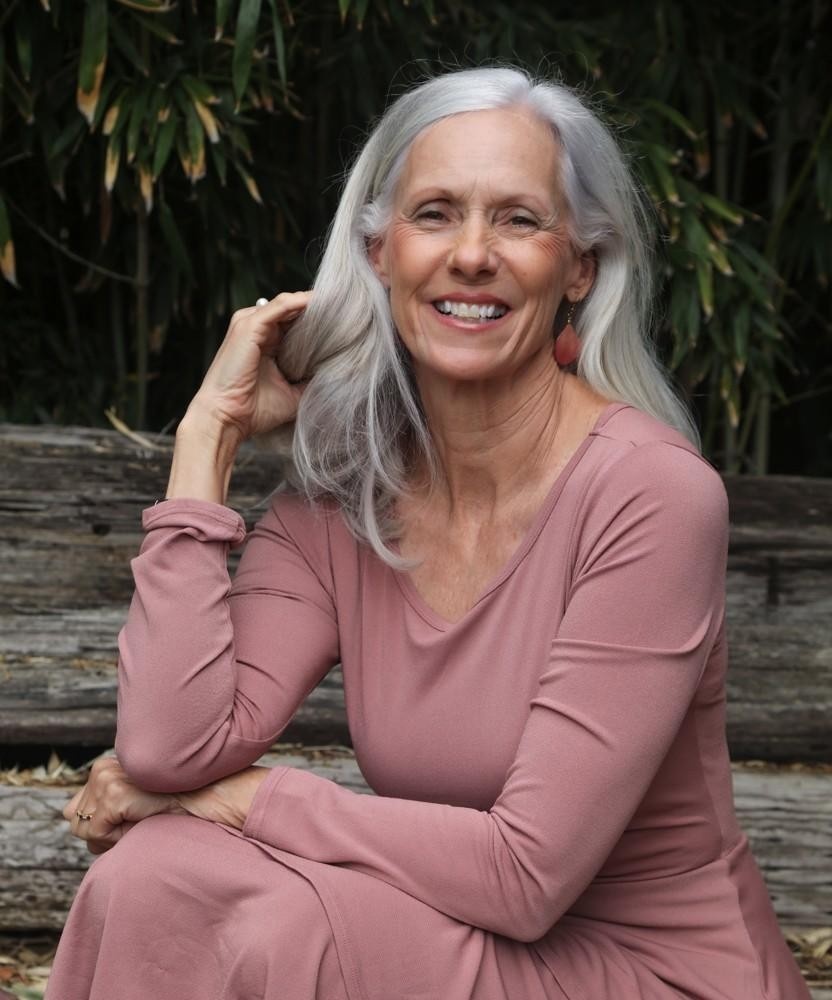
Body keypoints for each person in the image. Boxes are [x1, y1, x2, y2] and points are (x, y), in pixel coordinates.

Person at [46, 66, 809, 1000]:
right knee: (152, 874)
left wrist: (240, 797)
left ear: (579, 267)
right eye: (436, 213)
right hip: (458, 938)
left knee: (272, 914)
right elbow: (169, 749)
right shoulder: (345, 496)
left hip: (650, 973)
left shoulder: (652, 495)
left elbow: (525, 877)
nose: (473, 255)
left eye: (519, 220)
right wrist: (208, 436)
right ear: (380, 251)